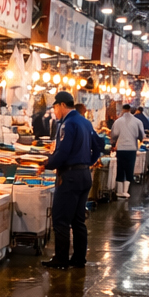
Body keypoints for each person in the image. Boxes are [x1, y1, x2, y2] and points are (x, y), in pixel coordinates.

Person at [43, 91, 106, 269]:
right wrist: (88, 162)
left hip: (69, 177)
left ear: (62, 105)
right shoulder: (85, 122)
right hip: (84, 176)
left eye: (55, 107)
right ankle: (79, 258)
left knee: (61, 219)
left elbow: (63, 153)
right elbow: (99, 146)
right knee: (78, 220)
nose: (55, 112)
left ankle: (61, 259)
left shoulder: (67, 124)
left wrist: (47, 164)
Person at [110, 106, 145, 198]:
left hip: (121, 148)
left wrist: (114, 144)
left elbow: (114, 135)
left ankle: (119, 192)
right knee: (129, 169)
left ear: (123, 110)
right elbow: (141, 135)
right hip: (132, 149)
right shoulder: (138, 122)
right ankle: (126, 191)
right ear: (131, 111)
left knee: (120, 169)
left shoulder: (118, 121)